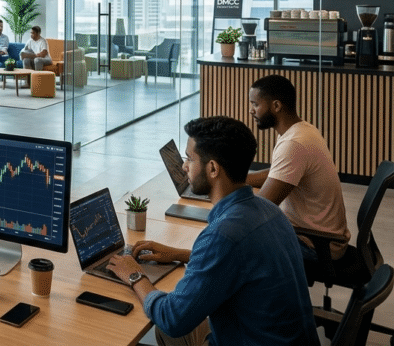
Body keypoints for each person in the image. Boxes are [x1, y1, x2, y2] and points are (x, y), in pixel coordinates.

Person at [107, 116, 320, 346]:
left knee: (168, 326)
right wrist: (179, 254)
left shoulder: (224, 235)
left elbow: (172, 318)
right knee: (170, 332)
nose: (184, 166)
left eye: (189, 158)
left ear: (213, 168)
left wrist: (135, 275)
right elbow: (240, 259)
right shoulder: (270, 210)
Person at [246, 74, 350, 259]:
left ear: (276, 106)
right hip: (312, 234)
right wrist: (239, 180)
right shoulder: (302, 130)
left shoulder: (294, 144)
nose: (251, 111)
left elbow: (261, 209)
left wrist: (225, 197)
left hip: (317, 244)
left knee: (240, 244)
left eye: (255, 104)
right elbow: (278, 174)